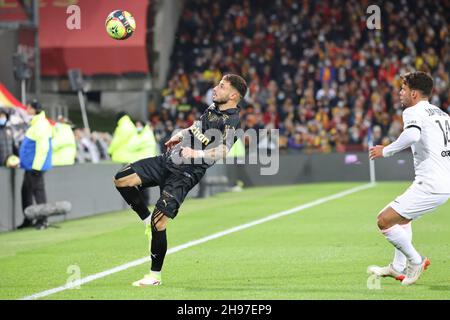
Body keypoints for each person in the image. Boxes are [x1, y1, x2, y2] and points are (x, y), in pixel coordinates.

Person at [113, 74, 247, 286]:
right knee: (122, 179)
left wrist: (196, 154)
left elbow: (222, 151)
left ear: (232, 95)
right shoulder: (212, 108)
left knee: (161, 222)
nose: (215, 88)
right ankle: (145, 220)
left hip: (185, 174)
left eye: (221, 86)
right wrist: (181, 135)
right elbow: (196, 128)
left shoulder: (232, 120)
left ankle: (154, 276)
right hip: (168, 160)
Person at [368, 71, 450, 285]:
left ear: (414, 93)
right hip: (442, 183)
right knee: (402, 219)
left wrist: (385, 151)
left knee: (384, 220)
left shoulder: (413, 111)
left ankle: (416, 260)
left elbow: (412, 135)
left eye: (403, 88)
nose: (400, 92)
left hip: (430, 184)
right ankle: (396, 268)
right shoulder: (442, 114)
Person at [18, 100, 53, 229]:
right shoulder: (37, 123)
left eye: (28, 107)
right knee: (26, 191)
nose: (26, 109)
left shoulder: (40, 124)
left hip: (35, 166)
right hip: (30, 166)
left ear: (33, 109)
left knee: (38, 192)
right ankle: (29, 218)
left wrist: (37, 167)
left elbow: (42, 147)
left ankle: (43, 220)